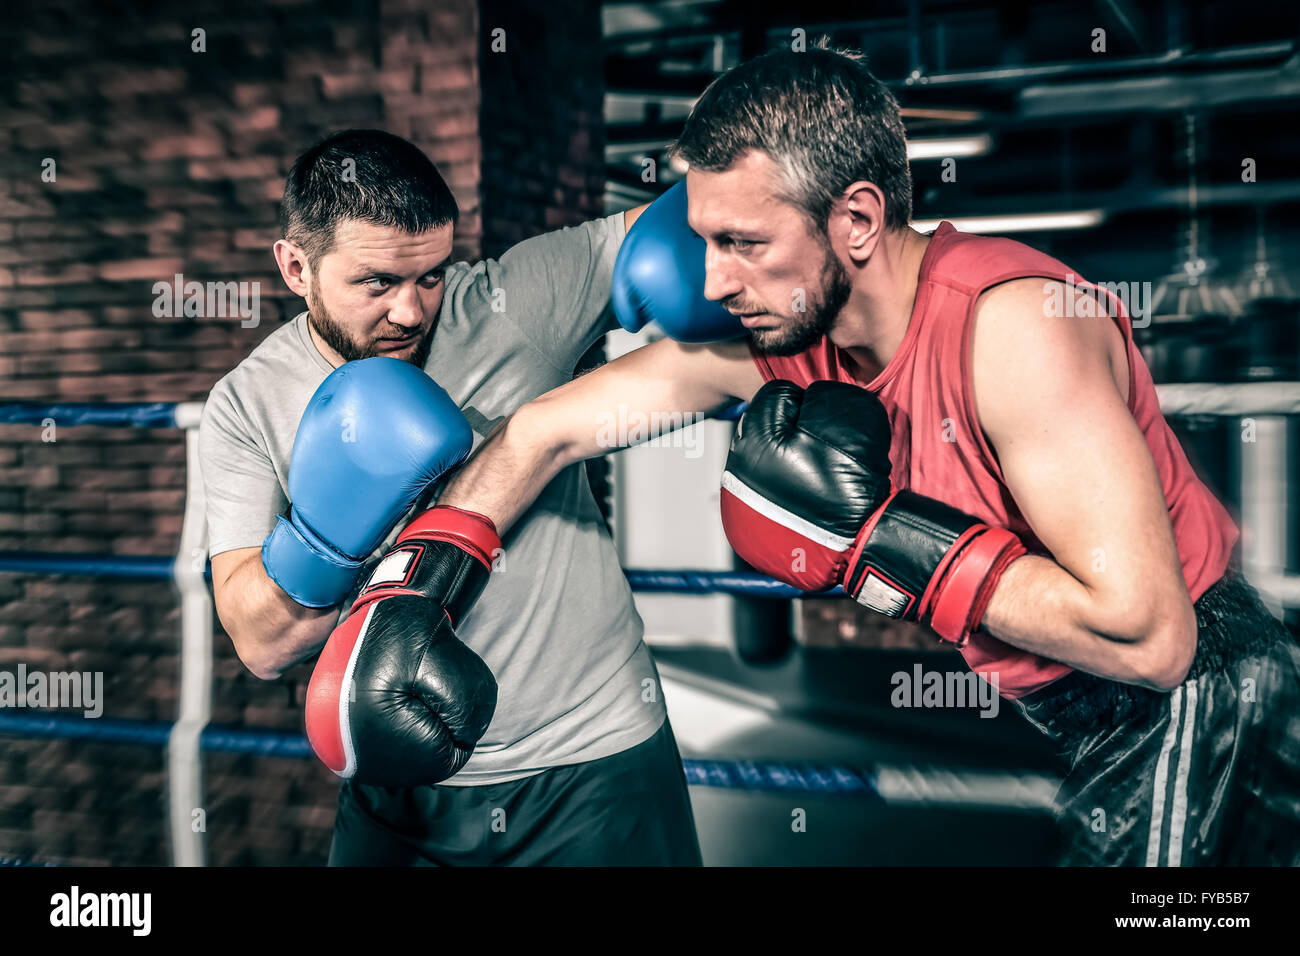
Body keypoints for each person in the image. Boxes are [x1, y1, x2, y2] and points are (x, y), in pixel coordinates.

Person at [434, 47, 1300, 865]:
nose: (710, 283)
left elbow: (1152, 640)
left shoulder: (1013, 330)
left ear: (855, 218)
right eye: (705, 240)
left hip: (1199, 702)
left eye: (742, 243)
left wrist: (882, 542)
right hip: (1077, 705)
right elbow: (545, 431)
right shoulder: (778, 334)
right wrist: (412, 589)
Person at [198, 129, 701, 866]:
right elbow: (260, 642)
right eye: (377, 283)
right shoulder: (248, 404)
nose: (410, 310)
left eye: (430, 275)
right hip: (395, 781)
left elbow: (700, 216)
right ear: (295, 266)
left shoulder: (511, 303)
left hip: (592, 766)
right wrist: (326, 536)